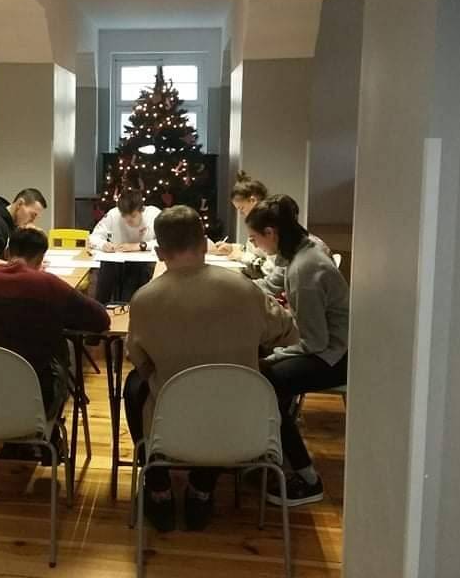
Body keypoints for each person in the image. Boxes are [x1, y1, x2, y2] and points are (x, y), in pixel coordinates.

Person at [125, 205, 299, 532]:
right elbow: (288, 333)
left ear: (160, 252)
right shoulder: (245, 289)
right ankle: (202, 488)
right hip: (242, 423)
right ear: (204, 243)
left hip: (172, 422)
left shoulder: (144, 299)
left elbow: (138, 357)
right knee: (228, 391)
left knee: (134, 386)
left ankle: (159, 487)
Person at [0, 226, 109, 421]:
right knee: (66, 349)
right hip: (35, 398)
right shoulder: (49, 284)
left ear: (7, 253)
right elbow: (100, 319)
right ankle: (49, 432)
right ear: (41, 260)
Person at [246, 195, 349, 506]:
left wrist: (274, 355)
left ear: (271, 232)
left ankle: (307, 478)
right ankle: (271, 454)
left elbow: (315, 343)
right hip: (330, 346)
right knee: (267, 372)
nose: (255, 245)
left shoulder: (305, 270)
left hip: (336, 356)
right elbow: (271, 284)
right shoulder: (300, 249)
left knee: (265, 380)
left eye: (255, 238)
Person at [88, 189, 161, 303]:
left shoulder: (154, 214)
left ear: (142, 210)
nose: (128, 220)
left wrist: (141, 246)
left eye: (133, 216)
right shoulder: (113, 214)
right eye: (124, 215)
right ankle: (101, 306)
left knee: (133, 284)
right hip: (115, 260)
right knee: (106, 273)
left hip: (143, 263)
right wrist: (103, 245)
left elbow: (165, 240)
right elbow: (94, 237)